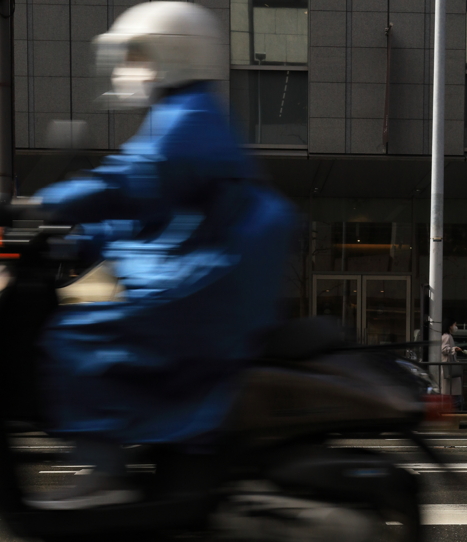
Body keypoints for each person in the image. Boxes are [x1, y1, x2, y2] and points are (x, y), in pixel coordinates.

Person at [26, 1, 296, 510]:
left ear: (174, 54)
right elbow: (139, 218)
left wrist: (39, 204)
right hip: (196, 280)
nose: (129, 68)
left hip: (203, 289)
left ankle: (106, 474)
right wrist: (74, 238)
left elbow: (133, 180)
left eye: (138, 55)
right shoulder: (177, 116)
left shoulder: (189, 118)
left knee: (75, 336)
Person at [441, 319, 467, 411]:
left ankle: (458, 403)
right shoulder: (447, 336)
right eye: (455, 324)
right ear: (450, 326)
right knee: (453, 388)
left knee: (453, 388)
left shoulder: (447, 336)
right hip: (449, 367)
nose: (456, 327)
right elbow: (444, 349)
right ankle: (458, 404)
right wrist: (454, 349)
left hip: (449, 366)